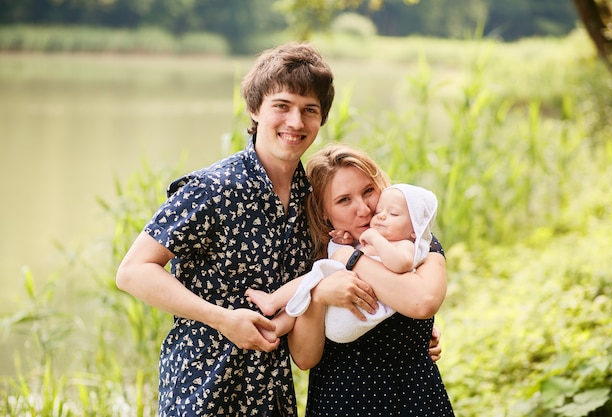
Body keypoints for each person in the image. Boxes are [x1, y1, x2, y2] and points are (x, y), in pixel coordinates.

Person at [116, 42, 339, 417]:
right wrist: (222, 318)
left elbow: (333, 274)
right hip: (201, 390)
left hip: (271, 395)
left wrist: (403, 330)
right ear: (255, 109)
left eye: (309, 110)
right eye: (282, 106)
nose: (295, 122)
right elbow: (132, 272)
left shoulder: (313, 200)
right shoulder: (213, 188)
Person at [287, 144, 455, 416]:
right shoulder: (316, 259)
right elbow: (305, 358)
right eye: (344, 200)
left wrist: (352, 259)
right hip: (342, 400)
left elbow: (422, 301)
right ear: (323, 213)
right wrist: (319, 295)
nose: (364, 209)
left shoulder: (417, 244)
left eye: (368, 191)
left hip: (413, 397)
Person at [245, 183, 438, 344]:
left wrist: (373, 238)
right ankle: (276, 326)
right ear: (324, 213)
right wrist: (342, 244)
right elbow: (340, 260)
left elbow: (400, 264)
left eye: (393, 214)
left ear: (416, 229)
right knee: (308, 288)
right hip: (337, 310)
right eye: (380, 211)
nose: (379, 216)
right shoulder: (366, 241)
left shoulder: (406, 245)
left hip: (356, 314)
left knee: (316, 275)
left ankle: (272, 301)